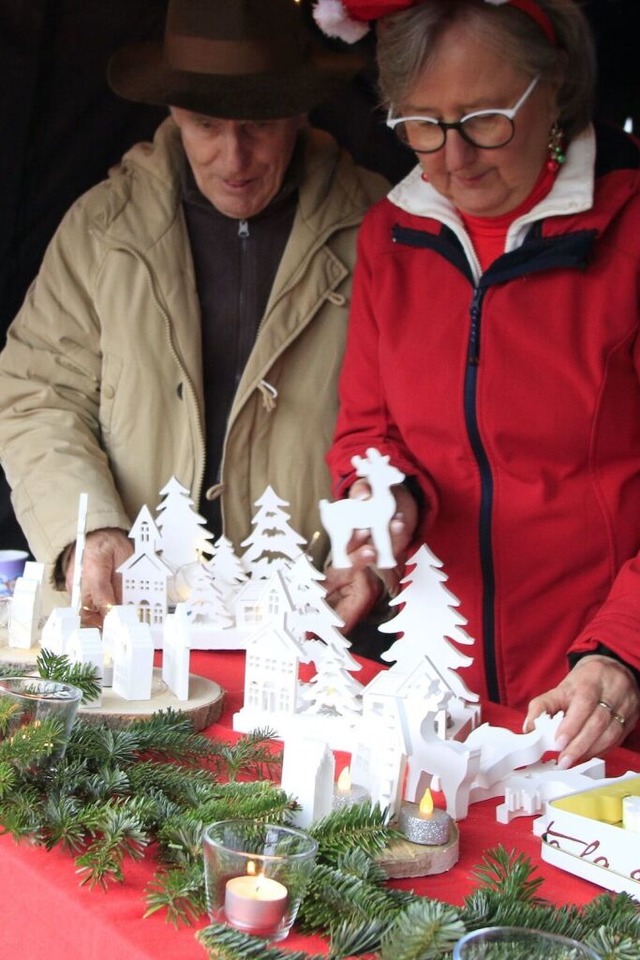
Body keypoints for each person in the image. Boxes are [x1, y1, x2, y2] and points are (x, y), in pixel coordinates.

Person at [320, 0, 640, 764]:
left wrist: (622, 650)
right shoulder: (389, 238)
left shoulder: (629, 235)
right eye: (421, 124)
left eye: (485, 118)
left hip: (593, 694)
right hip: (439, 693)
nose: (452, 159)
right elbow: (372, 432)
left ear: (554, 88)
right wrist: (380, 511)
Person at [0, 0, 387, 621]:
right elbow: (36, 395)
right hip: (130, 610)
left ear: (299, 108)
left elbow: (420, 426)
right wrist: (89, 529)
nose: (233, 159)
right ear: (173, 111)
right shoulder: (104, 228)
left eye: (258, 124)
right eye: (206, 124)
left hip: (311, 619)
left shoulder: (380, 230)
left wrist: (374, 544)